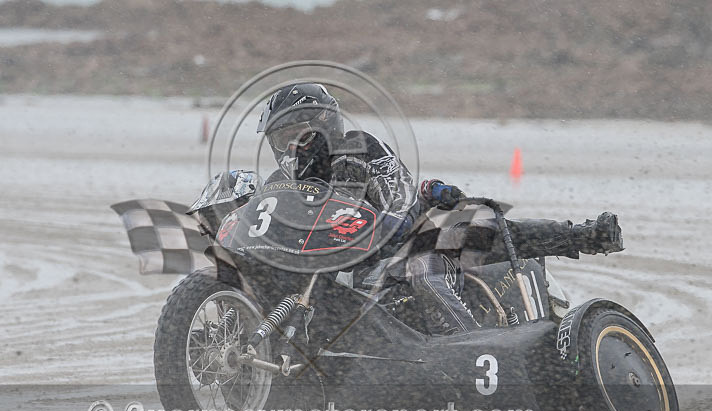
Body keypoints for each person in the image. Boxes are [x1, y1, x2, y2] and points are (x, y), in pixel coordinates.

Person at [256, 82, 623, 335]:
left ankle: (582, 236)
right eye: (280, 139)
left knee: (453, 237)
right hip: (343, 272)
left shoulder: (359, 148)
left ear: (322, 126)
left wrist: (375, 203)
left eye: (293, 136)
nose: (288, 149)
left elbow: (400, 202)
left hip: (408, 243)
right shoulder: (278, 183)